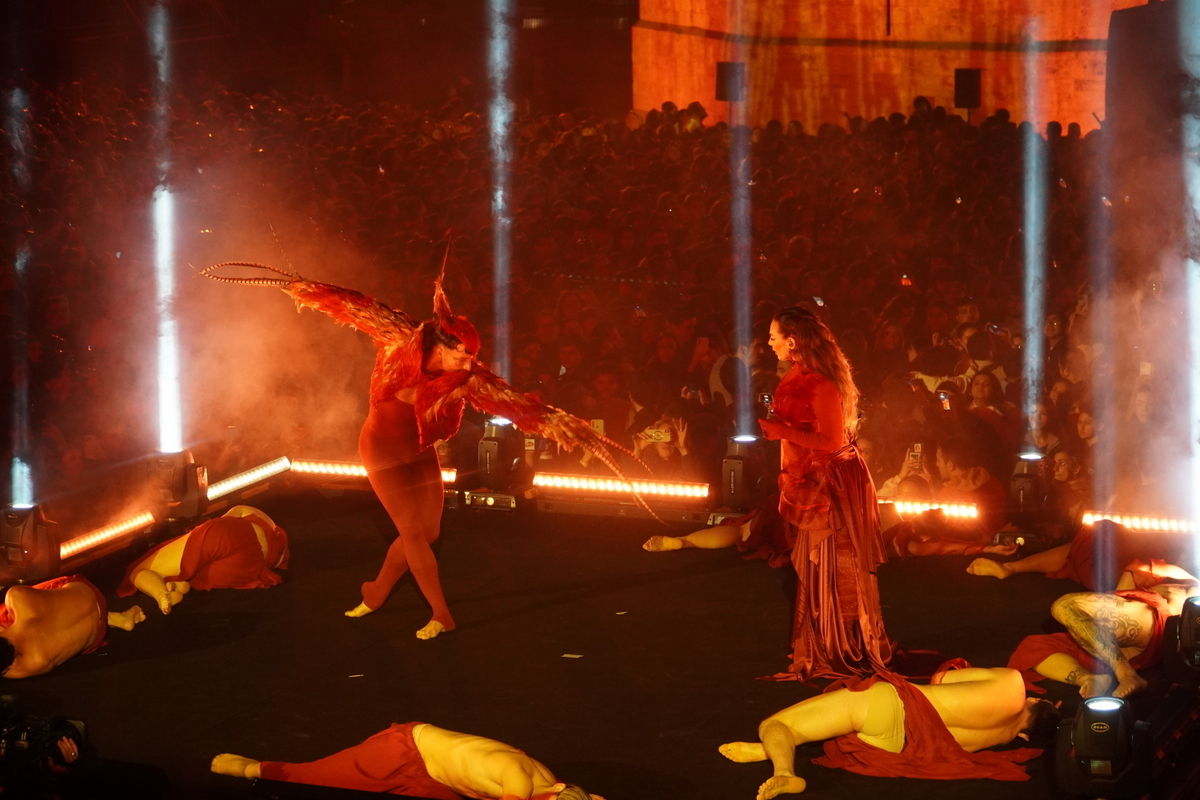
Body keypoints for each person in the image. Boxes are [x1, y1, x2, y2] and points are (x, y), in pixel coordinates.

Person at [204, 257, 634, 639]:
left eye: (472, 355)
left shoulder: (467, 376)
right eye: (462, 354)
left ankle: (375, 592)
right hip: (382, 452)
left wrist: (571, 428)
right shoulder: (400, 340)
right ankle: (441, 614)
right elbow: (357, 307)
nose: (469, 361)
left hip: (420, 452)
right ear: (441, 347)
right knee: (412, 533)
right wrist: (299, 285)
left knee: (427, 534)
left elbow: (518, 404)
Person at [758, 306, 892, 681]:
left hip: (830, 485)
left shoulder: (820, 383)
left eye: (774, 336)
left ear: (793, 340)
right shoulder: (797, 375)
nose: (769, 343)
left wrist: (780, 432)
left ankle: (843, 646)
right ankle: (822, 640)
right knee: (815, 569)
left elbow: (831, 441)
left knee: (836, 566)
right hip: (807, 480)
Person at [719, 667, 1057, 799]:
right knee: (821, 731)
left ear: (1035, 698)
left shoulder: (1012, 684)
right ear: (1027, 737)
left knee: (776, 725)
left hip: (890, 706)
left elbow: (942, 680)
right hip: (894, 746)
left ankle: (785, 770)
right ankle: (770, 749)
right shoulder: (999, 739)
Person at [211, 721, 602, 800]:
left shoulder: (556, 789)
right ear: (555, 790)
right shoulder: (518, 779)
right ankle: (250, 766)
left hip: (439, 781)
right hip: (405, 751)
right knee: (316, 779)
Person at [1008, 571, 1199, 698]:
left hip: (1157, 616)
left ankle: (1125, 673)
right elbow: (1138, 569)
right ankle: (1089, 679)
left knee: (1065, 605)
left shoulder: (1189, 585)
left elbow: (1136, 569)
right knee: (1033, 645)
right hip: (1150, 640)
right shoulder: (1182, 575)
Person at [116, 505, 289, 614]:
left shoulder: (248, 518)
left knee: (136, 570)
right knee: (194, 574)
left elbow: (222, 525)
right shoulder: (279, 543)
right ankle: (173, 586)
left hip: (236, 547)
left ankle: (161, 593)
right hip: (257, 564)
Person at [0, 576, 145, 679]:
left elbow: (5, 670)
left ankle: (115, 619)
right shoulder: (16, 596)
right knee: (7, 614)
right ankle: (116, 618)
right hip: (89, 594)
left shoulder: (32, 663)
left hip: (96, 631)